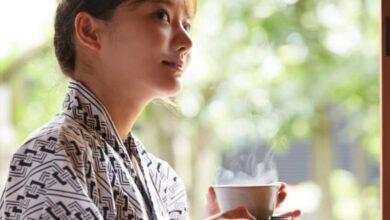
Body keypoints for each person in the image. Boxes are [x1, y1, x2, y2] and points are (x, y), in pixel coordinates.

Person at [0, 0, 301, 219]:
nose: (186, 41)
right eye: (162, 15)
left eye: (187, 24)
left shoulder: (163, 180)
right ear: (90, 31)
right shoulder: (47, 155)